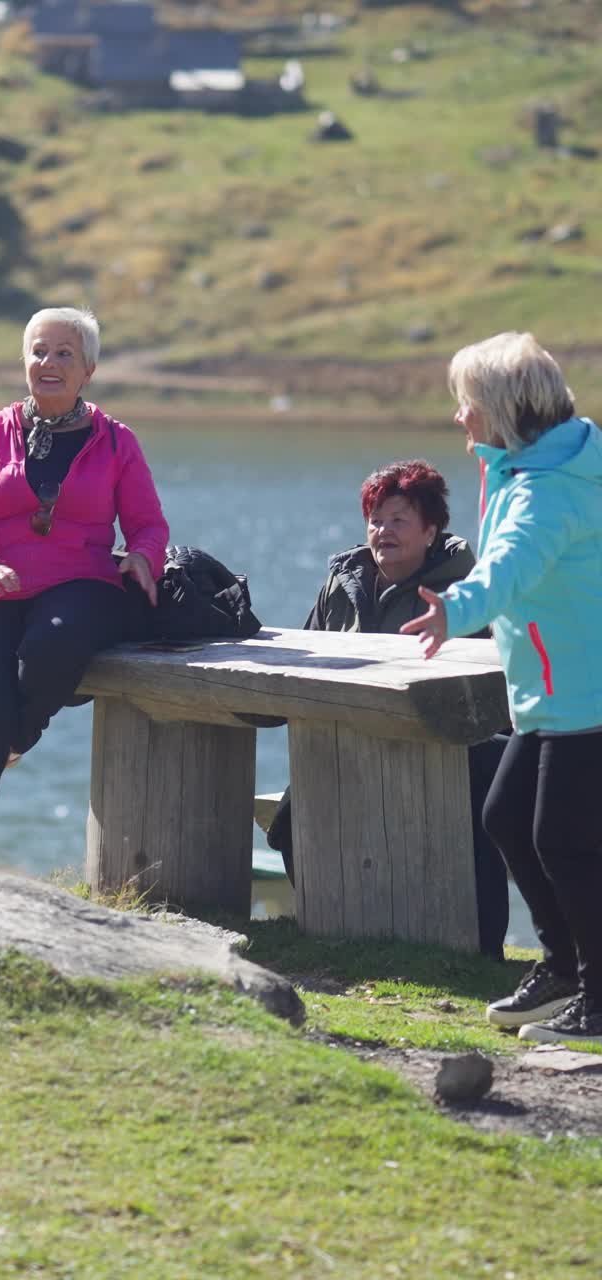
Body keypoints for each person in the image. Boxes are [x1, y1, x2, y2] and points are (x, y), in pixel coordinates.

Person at [0, 306, 169, 878]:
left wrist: (145, 558)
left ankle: (4, 743)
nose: (49, 363)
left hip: (82, 584)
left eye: (64, 353)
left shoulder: (117, 442)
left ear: (88, 369)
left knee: (52, 646)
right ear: (24, 362)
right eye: (39, 352)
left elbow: (147, 524)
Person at [402, 331, 602, 1045]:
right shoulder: (531, 465)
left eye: (467, 404)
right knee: (508, 819)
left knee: (564, 841)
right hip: (552, 694)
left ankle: (597, 999)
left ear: (504, 409)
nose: (460, 417)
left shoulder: (550, 492)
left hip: (587, 696)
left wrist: (456, 610)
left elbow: (511, 564)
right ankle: (566, 969)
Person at [266, 458, 510, 960]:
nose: (384, 531)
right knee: (289, 823)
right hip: (347, 737)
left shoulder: (468, 590)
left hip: (449, 746)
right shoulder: (343, 581)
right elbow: (305, 649)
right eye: (376, 520)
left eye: (399, 520)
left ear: (431, 529)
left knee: (473, 826)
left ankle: (484, 956)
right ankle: (339, 931)